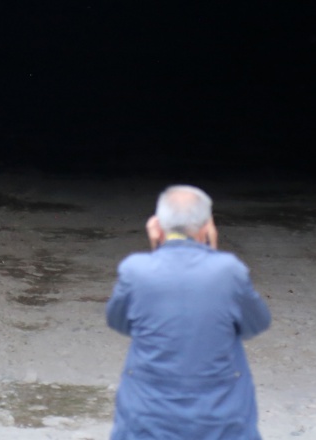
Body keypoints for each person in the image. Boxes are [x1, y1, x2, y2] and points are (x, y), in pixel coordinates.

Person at [104, 185, 271, 440]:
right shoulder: (229, 270)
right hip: (219, 416)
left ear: (157, 225)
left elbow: (119, 322)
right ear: (207, 226)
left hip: (147, 415)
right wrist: (212, 253)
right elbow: (256, 324)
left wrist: (157, 249)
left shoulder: (135, 270)